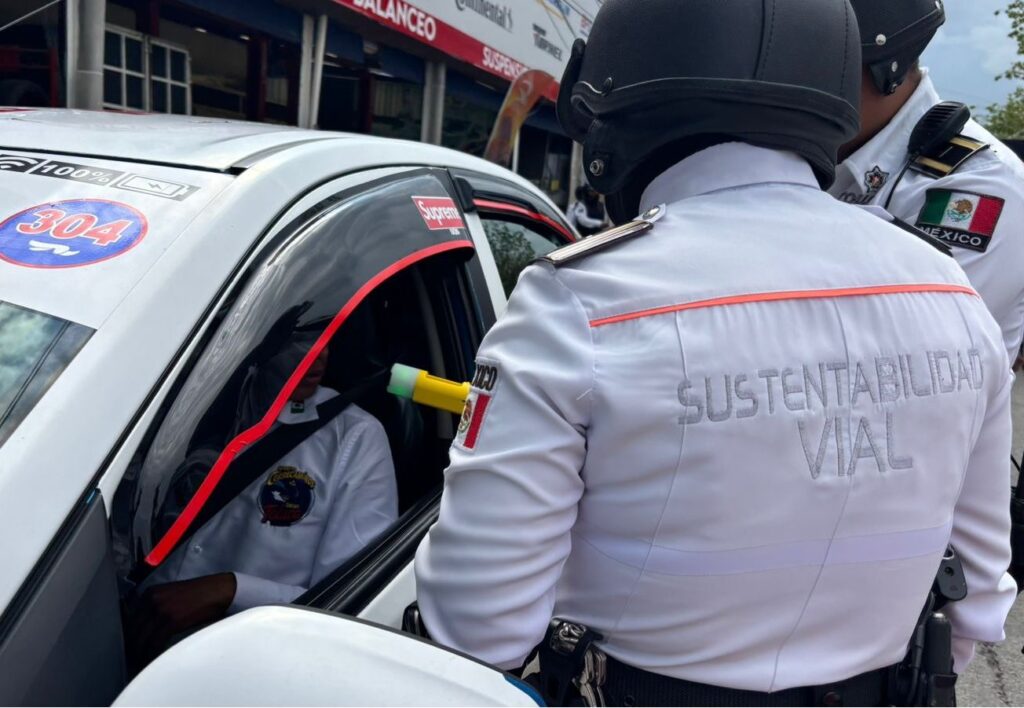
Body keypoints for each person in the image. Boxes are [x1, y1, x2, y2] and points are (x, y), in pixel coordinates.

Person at [414, 0, 1016, 705]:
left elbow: (476, 630)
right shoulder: (950, 291)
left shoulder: (577, 301)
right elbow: (976, 596)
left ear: (617, 105)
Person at [129, 340, 398, 661]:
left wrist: (230, 591)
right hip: (125, 634)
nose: (320, 352)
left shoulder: (353, 438)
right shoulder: (175, 408)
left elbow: (351, 601)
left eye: (327, 337)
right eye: (301, 339)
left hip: (244, 660)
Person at [832, 0, 1024, 362]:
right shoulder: (808, 155)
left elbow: (890, 357)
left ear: (888, 69)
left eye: (806, 66)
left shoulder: (982, 186)